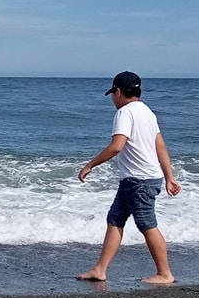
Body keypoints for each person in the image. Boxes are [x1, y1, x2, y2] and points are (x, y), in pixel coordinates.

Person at [76, 71, 181, 285]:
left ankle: (165, 273)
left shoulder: (125, 113)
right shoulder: (147, 112)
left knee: (146, 224)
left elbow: (117, 146)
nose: (113, 99)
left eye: (113, 94)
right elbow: (159, 146)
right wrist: (169, 176)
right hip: (140, 178)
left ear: (118, 92)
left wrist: (90, 165)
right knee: (115, 219)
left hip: (138, 180)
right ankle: (100, 269)